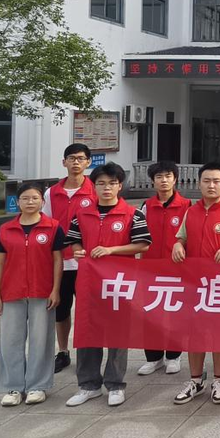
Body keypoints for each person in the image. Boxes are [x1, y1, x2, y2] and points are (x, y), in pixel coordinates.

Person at [63, 163, 151, 407]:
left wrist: (112, 249)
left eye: (112, 183)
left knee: (117, 333)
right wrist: (79, 252)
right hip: (89, 283)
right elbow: (74, 241)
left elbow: (143, 244)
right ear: (94, 186)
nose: (106, 188)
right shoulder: (81, 214)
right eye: (101, 183)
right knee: (88, 330)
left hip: (120, 284)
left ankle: (115, 384)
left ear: (119, 186)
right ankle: (88, 385)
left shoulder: (133, 214)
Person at [172, 163, 220, 406]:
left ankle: (219, 379)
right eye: (207, 181)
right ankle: (195, 380)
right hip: (194, 283)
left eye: (216, 181)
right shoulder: (190, 212)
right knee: (195, 333)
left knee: (219, 333)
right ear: (199, 183)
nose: (212, 185)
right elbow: (181, 236)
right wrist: (178, 244)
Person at [0, 182, 64, 406]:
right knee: (10, 341)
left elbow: (57, 260)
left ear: (42, 202)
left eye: (35, 198)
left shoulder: (53, 227)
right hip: (11, 292)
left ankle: (37, 386)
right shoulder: (6, 229)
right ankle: (13, 387)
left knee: (41, 340)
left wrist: (55, 290)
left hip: (42, 292)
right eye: (25, 198)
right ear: (18, 202)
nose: (30, 202)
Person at [42, 143, 96, 374]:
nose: (76, 162)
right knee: (61, 310)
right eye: (71, 158)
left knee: (89, 310)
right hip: (60, 262)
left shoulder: (96, 190)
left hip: (88, 262)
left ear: (88, 162)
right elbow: (46, 226)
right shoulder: (51, 193)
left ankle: (90, 353)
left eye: (81, 158)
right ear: (63, 162)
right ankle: (63, 352)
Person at [136, 161, 190, 376]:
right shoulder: (145, 207)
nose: (164, 180)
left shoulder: (187, 206)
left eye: (168, 176)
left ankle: (174, 356)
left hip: (177, 269)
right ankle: (153, 357)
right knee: (151, 313)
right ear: (153, 180)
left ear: (175, 179)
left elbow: (190, 236)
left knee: (175, 313)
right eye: (159, 177)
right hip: (150, 268)